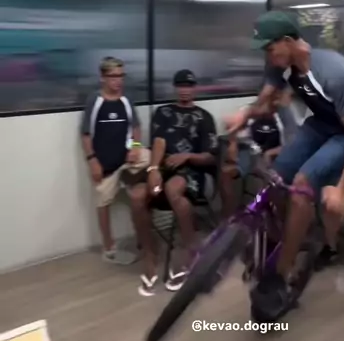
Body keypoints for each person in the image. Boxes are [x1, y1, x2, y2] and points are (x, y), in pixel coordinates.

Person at [227, 10, 344, 319]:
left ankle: (282, 273)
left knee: (302, 185)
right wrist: (245, 114)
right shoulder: (280, 62)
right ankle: (291, 232)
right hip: (318, 125)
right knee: (275, 177)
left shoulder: (334, 71)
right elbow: (266, 100)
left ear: (288, 41)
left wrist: (342, 190)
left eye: (270, 48)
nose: (267, 55)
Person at [81, 57, 156, 286]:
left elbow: (136, 128)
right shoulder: (95, 101)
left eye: (121, 76)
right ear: (103, 77)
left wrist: (135, 148)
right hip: (105, 165)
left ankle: (146, 231)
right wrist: (92, 161)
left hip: (127, 159)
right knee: (102, 201)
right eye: (113, 76)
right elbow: (85, 135)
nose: (118, 81)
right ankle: (109, 248)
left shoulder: (126, 100)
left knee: (153, 159)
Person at [147, 70, 217, 293]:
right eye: (181, 85)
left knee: (172, 188)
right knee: (140, 193)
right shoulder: (163, 112)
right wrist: (153, 169)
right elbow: (158, 142)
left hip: (192, 171)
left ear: (194, 88)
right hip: (164, 167)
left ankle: (190, 252)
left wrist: (186, 156)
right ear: (175, 88)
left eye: (189, 85)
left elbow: (210, 157)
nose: (185, 90)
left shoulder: (204, 117)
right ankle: (150, 251)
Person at [220, 91, 287, 218]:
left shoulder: (283, 118)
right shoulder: (249, 112)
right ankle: (228, 217)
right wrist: (233, 142)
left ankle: (270, 216)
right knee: (226, 173)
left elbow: (288, 145)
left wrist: (270, 153)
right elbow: (233, 130)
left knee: (271, 181)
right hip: (249, 156)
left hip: (273, 160)